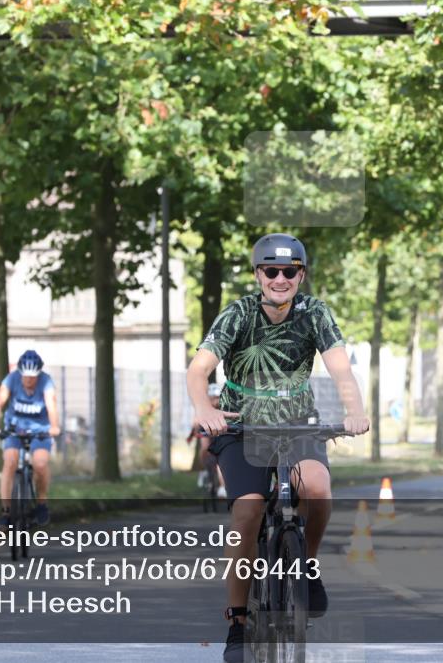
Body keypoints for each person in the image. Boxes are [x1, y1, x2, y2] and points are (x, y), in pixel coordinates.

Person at [186, 233, 370, 663]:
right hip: (240, 427)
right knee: (248, 510)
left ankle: (305, 566)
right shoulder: (238, 314)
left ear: (301, 275)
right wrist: (204, 409)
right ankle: (238, 622)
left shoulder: (315, 313)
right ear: (258, 275)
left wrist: (356, 411)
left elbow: (341, 370)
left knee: (317, 488)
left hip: (297, 425)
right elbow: (198, 371)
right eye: (271, 270)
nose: (280, 278)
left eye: (290, 271)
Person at [0, 350, 60, 530]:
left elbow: (51, 405)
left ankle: (41, 503)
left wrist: (54, 426)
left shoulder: (46, 382)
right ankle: (5, 512)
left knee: (40, 463)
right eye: (26, 376)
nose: (29, 380)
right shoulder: (11, 379)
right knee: (10, 462)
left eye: (33, 376)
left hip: (40, 431)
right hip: (15, 428)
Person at [186, 382, 228, 498]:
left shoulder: (224, 408)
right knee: (205, 448)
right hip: (208, 434)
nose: (215, 401)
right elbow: (196, 423)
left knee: (221, 458)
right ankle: (204, 469)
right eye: (213, 398)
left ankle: (223, 486)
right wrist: (196, 426)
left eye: (217, 398)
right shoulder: (203, 409)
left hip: (221, 438)